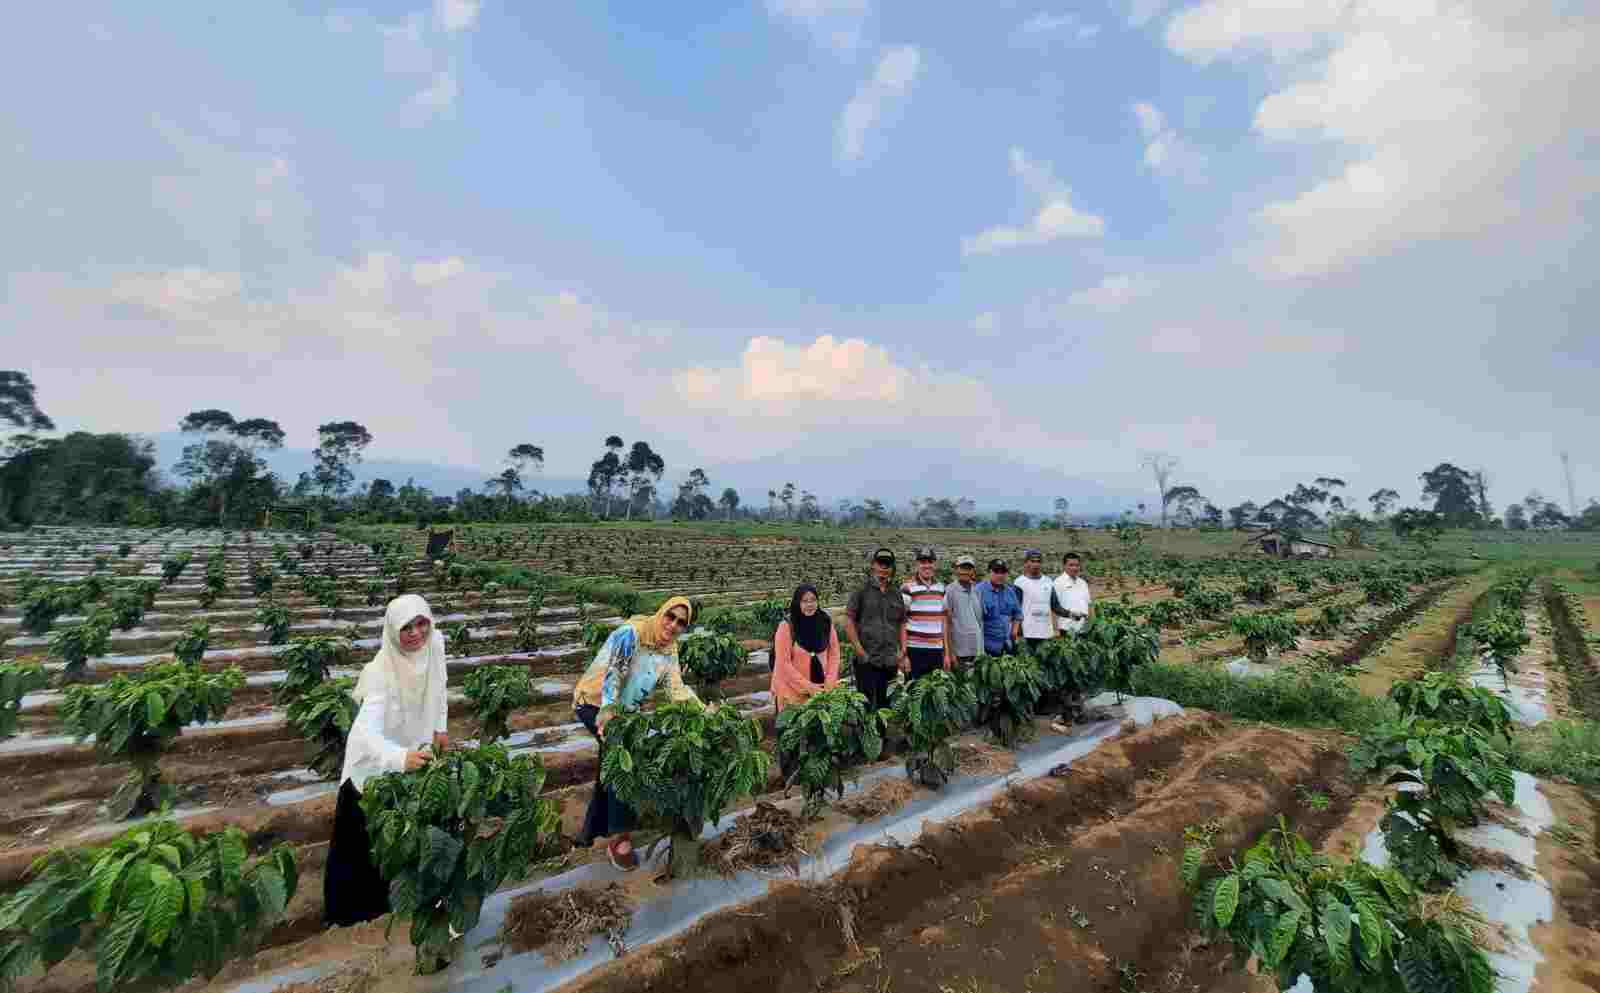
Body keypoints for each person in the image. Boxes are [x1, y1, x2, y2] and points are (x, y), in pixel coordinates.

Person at [326, 594, 449, 927]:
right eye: (406, 627)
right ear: (393, 632)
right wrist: (399, 757)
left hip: (411, 758)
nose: (416, 633)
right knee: (361, 850)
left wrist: (441, 727)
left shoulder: (435, 643)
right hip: (373, 770)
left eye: (421, 623)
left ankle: (398, 903)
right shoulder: (379, 672)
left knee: (398, 840)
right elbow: (363, 736)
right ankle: (351, 919)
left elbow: (440, 687)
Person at [572, 596, 699, 871]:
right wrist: (608, 710)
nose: (673, 624)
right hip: (594, 702)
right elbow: (615, 672)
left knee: (612, 762)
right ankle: (620, 836)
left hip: (625, 713)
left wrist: (704, 711)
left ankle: (591, 832)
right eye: (671, 616)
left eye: (681, 622)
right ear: (661, 613)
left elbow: (676, 689)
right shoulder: (633, 632)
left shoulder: (670, 650)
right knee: (622, 755)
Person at [845, 547, 908, 710]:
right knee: (865, 704)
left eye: (887, 564)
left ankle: (883, 736)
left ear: (892, 567)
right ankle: (865, 735)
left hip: (889, 659)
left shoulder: (896, 592)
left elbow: (901, 622)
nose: (884, 568)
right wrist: (859, 650)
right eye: (881, 563)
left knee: (885, 704)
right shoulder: (861, 590)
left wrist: (903, 651)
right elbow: (849, 620)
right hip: (868, 658)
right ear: (873, 565)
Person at [771, 583, 841, 711]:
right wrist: (809, 687)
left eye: (813, 600)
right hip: (792, 693)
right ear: (798, 603)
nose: (810, 605)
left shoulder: (825, 622)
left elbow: (834, 653)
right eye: (805, 601)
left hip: (822, 690)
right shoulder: (786, 626)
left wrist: (830, 681)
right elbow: (783, 663)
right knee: (794, 729)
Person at [901, 548, 952, 680]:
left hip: (936, 649)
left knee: (934, 691)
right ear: (917, 564)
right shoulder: (907, 588)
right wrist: (904, 655)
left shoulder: (942, 588)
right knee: (914, 692)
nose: (927, 565)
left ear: (934, 564)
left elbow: (944, 621)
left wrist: (946, 653)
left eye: (930, 561)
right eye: (923, 562)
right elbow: (901, 622)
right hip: (915, 650)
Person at [943, 554, 984, 668]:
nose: (965, 572)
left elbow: (979, 622)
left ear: (973, 571)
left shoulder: (976, 591)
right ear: (956, 570)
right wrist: (950, 653)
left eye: (968, 568)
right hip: (960, 653)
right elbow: (946, 624)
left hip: (977, 651)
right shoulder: (950, 591)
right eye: (962, 568)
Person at [1014, 549, 1056, 653]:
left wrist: (1070, 614)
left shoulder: (1048, 581)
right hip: (1028, 633)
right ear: (1026, 563)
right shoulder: (1019, 582)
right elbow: (1016, 609)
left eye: (1038, 561)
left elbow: (1055, 606)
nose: (1035, 564)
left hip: (1046, 632)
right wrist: (1017, 631)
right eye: (1032, 561)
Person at [978, 558, 1022, 657]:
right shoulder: (979, 591)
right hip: (987, 646)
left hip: (1007, 644)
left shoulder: (1010, 591)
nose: (1000, 575)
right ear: (989, 572)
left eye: (1003, 572)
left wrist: (1014, 630)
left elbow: (1018, 613)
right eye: (996, 572)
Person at [1051, 551, 1093, 635]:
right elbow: (1053, 607)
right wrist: (1055, 630)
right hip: (1066, 629)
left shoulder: (1082, 583)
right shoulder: (1058, 583)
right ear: (1064, 566)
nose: (1074, 568)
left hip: (1083, 629)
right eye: (1071, 565)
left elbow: (1088, 604)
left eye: (1077, 565)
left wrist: (1090, 623)